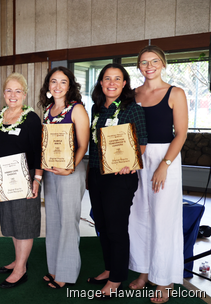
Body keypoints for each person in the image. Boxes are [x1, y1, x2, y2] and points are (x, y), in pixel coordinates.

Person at [128, 46, 188, 304]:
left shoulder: (176, 93)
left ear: (162, 64)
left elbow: (182, 134)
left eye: (154, 61)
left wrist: (164, 164)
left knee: (164, 219)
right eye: (144, 62)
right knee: (138, 216)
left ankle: (163, 280)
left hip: (166, 158)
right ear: (139, 67)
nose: (149, 65)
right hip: (136, 157)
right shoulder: (132, 94)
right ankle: (143, 272)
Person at [86, 63, 147, 298]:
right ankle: (109, 268)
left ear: (124, 84)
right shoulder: (97, 108)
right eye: (107, 78)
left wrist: (129, 163)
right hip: (96, 173)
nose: (111, 83)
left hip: (120, 177)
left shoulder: (133, 109)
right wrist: (89, 175)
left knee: (116, 228)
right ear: (101, 83)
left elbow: (141, 143)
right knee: (101, 224)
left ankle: (116, 278)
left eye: (117, 79)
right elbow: (93, 142)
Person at [0, 73, 43, 289]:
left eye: (18, 91)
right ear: (4, 93)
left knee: (24, 222)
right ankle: (18, 259)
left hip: (26, 176)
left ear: (25, 94)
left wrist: (37, 179)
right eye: (9, 91)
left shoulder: (31, 118)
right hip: (5, 178)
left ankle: (21, 269)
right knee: (12, 220)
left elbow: (40, 150)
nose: (13, 95)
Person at [38, 67, 89, 289]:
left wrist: (71, 168)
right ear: (48, 86)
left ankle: (66, 273)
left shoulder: (76, 109)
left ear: (70, 86)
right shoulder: (48, 110)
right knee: (54, 221)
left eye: (63, 82)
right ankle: (54, 268)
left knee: (68, 222)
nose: (57, 86)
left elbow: (83, 145)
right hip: (51, 173)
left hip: (70, 173)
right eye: (53, 82)